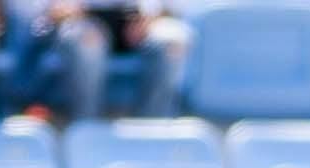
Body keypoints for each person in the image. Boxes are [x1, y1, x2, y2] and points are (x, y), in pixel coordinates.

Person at [12, 0, 190, 121]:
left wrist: (150, 16)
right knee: (87, 41)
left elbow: (171, 8)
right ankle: (87, 129)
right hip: (82, 20)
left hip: (138, 21)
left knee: (171, 42)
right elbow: (38, 13)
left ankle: (152, 132)